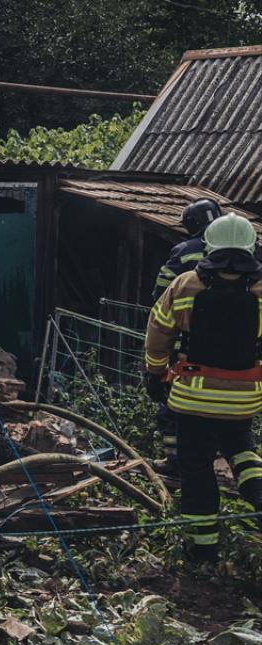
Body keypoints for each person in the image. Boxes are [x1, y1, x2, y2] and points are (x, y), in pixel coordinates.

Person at [145, 213, 262, 565]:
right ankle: (258, 496)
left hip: (192, 397)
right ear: (251, 246)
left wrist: (154, 373)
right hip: (243, 398)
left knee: (196, 468)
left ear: (208, 245)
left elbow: (158, 332)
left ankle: (204, 551)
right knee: (242, 449)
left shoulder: (184, 285)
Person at [149, 198, 224, 474]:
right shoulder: (247, 256)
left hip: (187, 347)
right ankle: (212, 456)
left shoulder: (184, 251)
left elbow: (160, 297)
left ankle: (175, 461)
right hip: (238, 351)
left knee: (172, 403)